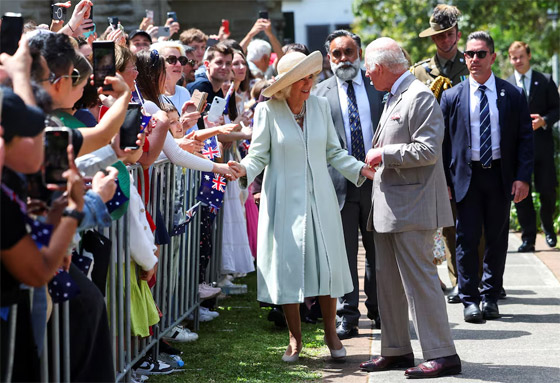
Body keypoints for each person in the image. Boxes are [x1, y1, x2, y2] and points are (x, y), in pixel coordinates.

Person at [227, 51, 374, 362]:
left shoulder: (320, 106)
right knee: (288, 267)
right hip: (282, 199)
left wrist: (360, 169)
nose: (309, 83)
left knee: (328, 266)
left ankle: (331, 333)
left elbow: (334, 151)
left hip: (321, 197)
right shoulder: (268, 111)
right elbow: (257, 156)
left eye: (311, 76)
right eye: (302, 78)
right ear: (287, 83)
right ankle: (295, 338)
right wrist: (243, 170)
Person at [360, 37, 461, 378]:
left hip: (413, 208)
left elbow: (429, 151)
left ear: (383, 68)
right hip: (391, 206)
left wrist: (383, 154)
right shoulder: (395, 94)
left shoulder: (418, 96)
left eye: (370, 70)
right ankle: (396, 349)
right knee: (387, 283)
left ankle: (443, 354)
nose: (368, 76)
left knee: (421, 283)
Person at [441, 32, 533, 323]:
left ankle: (490, 297)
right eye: (469, 54)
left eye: (481, 54)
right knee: (465, 240)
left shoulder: (512, 94)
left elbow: (524, 139)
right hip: (465, 179)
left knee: (496, 240)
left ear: (493, 57)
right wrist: (443, 181)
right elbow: (442, 144)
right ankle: (469, 299)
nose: (474, 59)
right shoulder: (452, 96)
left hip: (499, 177)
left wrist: (522, 177)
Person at [313, 30, 384, 338]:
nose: (343, 59)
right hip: (336, 184)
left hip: (377, 182)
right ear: (329, 58)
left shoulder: (378, 87)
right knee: (342, 254)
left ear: (359, 53)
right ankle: (348, 315)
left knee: (378, 251)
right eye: (336, 54)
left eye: (349, 52)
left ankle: (381, 310)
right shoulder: (317, 93)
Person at [412, 3, 473, 305]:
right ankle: (439, 281)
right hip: (429, 155)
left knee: (467, 222)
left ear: (458, 35)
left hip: (463, 153)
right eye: (439, 37)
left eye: (449, 35)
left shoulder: (472, 66)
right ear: (433, 39)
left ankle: (466, 280)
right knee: (432, 223)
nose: (445, 41)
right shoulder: (420, 72)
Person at [507, 41, 559, 251]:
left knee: (547, 191)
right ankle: (528, 238)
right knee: (520, 193)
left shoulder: (544, 80)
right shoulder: (507, 84)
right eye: (513, 58)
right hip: (518, 150)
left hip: (543, 148)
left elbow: (557, 109)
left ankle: (547, 226)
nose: (517, 61)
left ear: (528, 56)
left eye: (521, 56)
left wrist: (543, 121)